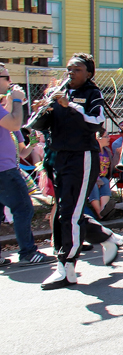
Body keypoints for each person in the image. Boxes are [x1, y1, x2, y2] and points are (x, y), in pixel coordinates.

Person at [29, 55, 121, 288]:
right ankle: (106, 237)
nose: (71, 73)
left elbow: (96, 123)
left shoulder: (92, 94)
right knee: (67, 212)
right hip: (58, 157)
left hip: (81, 158)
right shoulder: (60, 91)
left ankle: (66, 266)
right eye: (69, 69)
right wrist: (42, 111)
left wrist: (69, 106)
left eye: (77, 69)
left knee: (69, 213)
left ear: (88, 73)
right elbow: (38, 125)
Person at [0, 64, 54, 267]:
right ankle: (28, 253)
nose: (10, 81)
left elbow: (21, 151)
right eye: (6, 77)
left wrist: (32, 144)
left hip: (6, 168)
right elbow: (14, 123)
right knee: (23, 208)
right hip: (5, 171)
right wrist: (15, 100)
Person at [88, 129, 113, 219]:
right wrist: (96, 179)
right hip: (91, 178)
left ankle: (104, 210)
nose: (108, 138)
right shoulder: (92, 151)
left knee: (105, 182)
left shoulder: (107, 151)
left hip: (103, 177)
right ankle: (99, 213)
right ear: (98, 138)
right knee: (93, 185)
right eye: (106, 136)